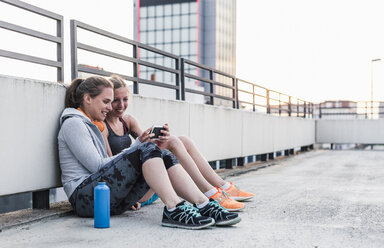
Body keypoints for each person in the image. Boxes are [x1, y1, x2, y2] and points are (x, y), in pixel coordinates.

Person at [57, 76, 241, 229]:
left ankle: (204, 204)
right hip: (86, 199)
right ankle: (174, 207)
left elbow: (105, 166)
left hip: (102, 197)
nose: (109, 107)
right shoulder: (73, 123)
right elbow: (96, 166)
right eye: (106, 101)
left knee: (160, 152)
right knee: (147, 149)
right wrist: (137, 147)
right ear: (87, 98)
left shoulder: (90, 124)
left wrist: (139, 146)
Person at [104, 75, 254, 212]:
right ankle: (210, 193)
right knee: (173, 141)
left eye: (125, 99)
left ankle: (221, 186)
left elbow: (146, 148)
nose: (121, 105)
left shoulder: (127, 120)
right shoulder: (102, 126)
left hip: (147, 184)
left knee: (183, 140)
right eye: (116, 100)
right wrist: (141, 143)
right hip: (128, 189)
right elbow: (110, 166)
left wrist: (159, 139)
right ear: (108, 100)